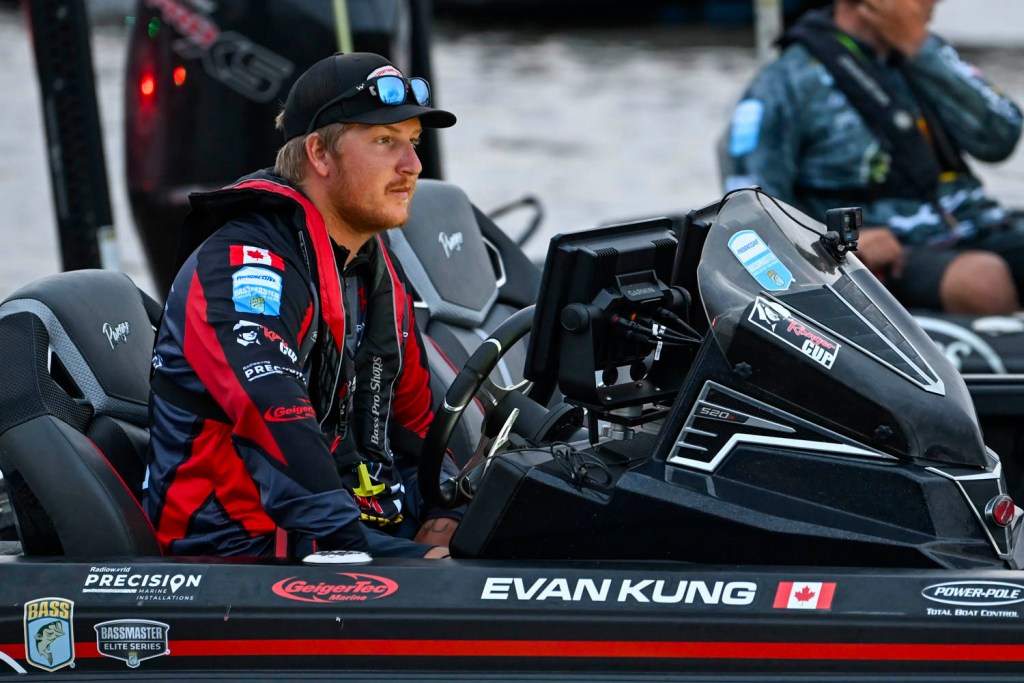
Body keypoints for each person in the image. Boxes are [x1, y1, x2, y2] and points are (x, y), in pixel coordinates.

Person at [145, 52, 462, 559]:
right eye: (385, 141)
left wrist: (447, 512)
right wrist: (366, 553)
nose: (413, 166)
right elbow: (273, 411)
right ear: (319, 154)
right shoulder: (242, 266)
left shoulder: (369, 263)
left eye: (414, 142)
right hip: (239, 548)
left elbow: (416, 422)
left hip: (341, 528)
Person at [718, 0, 1024, 315]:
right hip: (884, 255)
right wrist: (833, 240)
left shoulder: (927, 54)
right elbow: (748, 203)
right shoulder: (785, 81)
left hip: (976, 225)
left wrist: (920, 49)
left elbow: (1001, 138)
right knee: (981, 279)